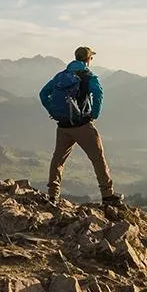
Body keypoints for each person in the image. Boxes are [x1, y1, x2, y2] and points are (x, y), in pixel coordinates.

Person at [39, 45, 121, 206]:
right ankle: (107, 195)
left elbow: (43, 94)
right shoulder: (89, 76)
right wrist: (94, 114)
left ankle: (52, 195)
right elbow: (98, 93)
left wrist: (53, 111)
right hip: (83, 125)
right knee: (97, 158)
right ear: (88, 59)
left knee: (58, 159)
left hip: (63, 126)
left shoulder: (61, 76)